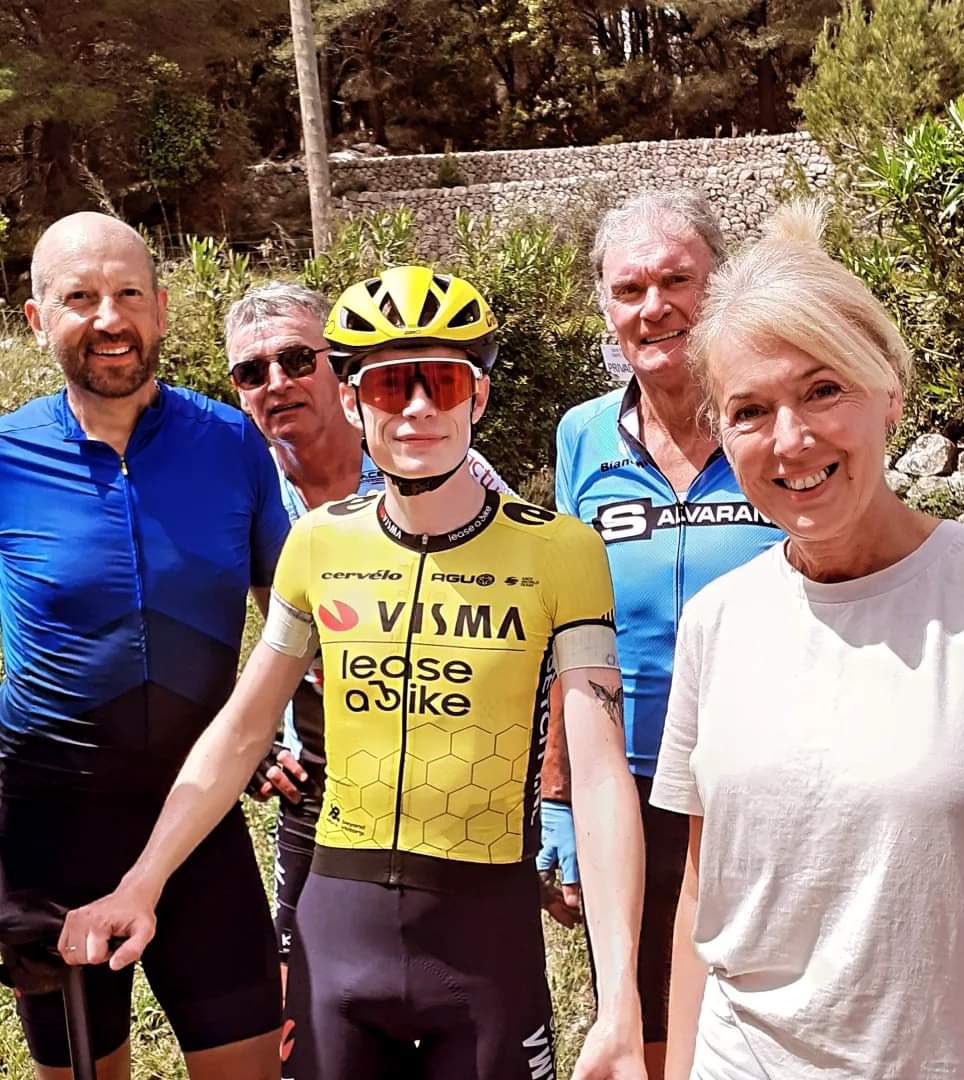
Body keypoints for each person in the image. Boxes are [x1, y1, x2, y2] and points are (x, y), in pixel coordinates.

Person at [60, 266, 648, 1080]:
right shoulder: (319, 543)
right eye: (388, 386)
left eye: (441, 382)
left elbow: (601, 768)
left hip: (486, 937)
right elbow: (243, 725)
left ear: (477, 397)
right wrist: (142, 880)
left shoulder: (560, 550)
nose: (416, 409)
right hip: (338, 925)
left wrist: (620, 1000)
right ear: (352, 400)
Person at [653, 200, 964, 1079]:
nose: (791, 440)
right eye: (750, 410)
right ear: (721, 433)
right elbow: (708, 896)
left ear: (889, 392)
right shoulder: (718, 623)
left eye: (823, 390)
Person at [0, 213, 286, 1079]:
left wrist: (284, 728)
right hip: (51, 828)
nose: (109, 317)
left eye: (128, 293)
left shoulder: (232, 442)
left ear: (161, 308)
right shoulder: (7, 456)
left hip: (199, 816)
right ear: (37, 319)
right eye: (79, 297)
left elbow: (286, 613)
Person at [540, 190, 783, 1074]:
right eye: (629, 287)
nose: (655, 306)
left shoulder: (770, 426)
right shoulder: (581, 437)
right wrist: (560, 803)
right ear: (604, 307)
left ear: (719, 286)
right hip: (629, 782)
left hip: (764, 778)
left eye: (679, 279)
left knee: (760, 1017)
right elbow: (567, 633)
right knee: (639, 1029)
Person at [222, 281, 514, 979]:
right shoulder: (241, 487)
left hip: (447, 777)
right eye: (251, 372)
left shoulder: (428, 457)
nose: (277, 383)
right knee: (311, 999)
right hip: (319, 781)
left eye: (297, 359)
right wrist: (249, 742)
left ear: (342, 374)